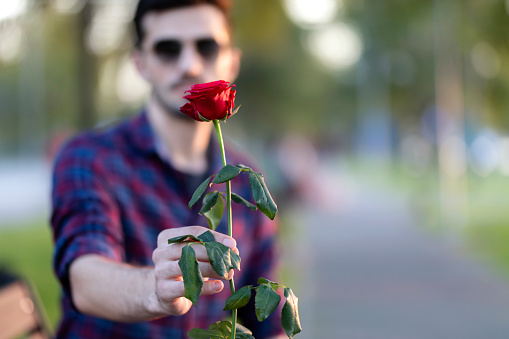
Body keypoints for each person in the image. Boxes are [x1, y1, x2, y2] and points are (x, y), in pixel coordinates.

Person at [50, 1, 284, 338]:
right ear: (140, 63)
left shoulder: (247, 182)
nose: (189, 65)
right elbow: (86, 277)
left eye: (206, 46)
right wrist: (155, 289)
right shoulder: (90, 158)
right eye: (167, 49)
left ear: (232, 61)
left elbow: (268, 318)